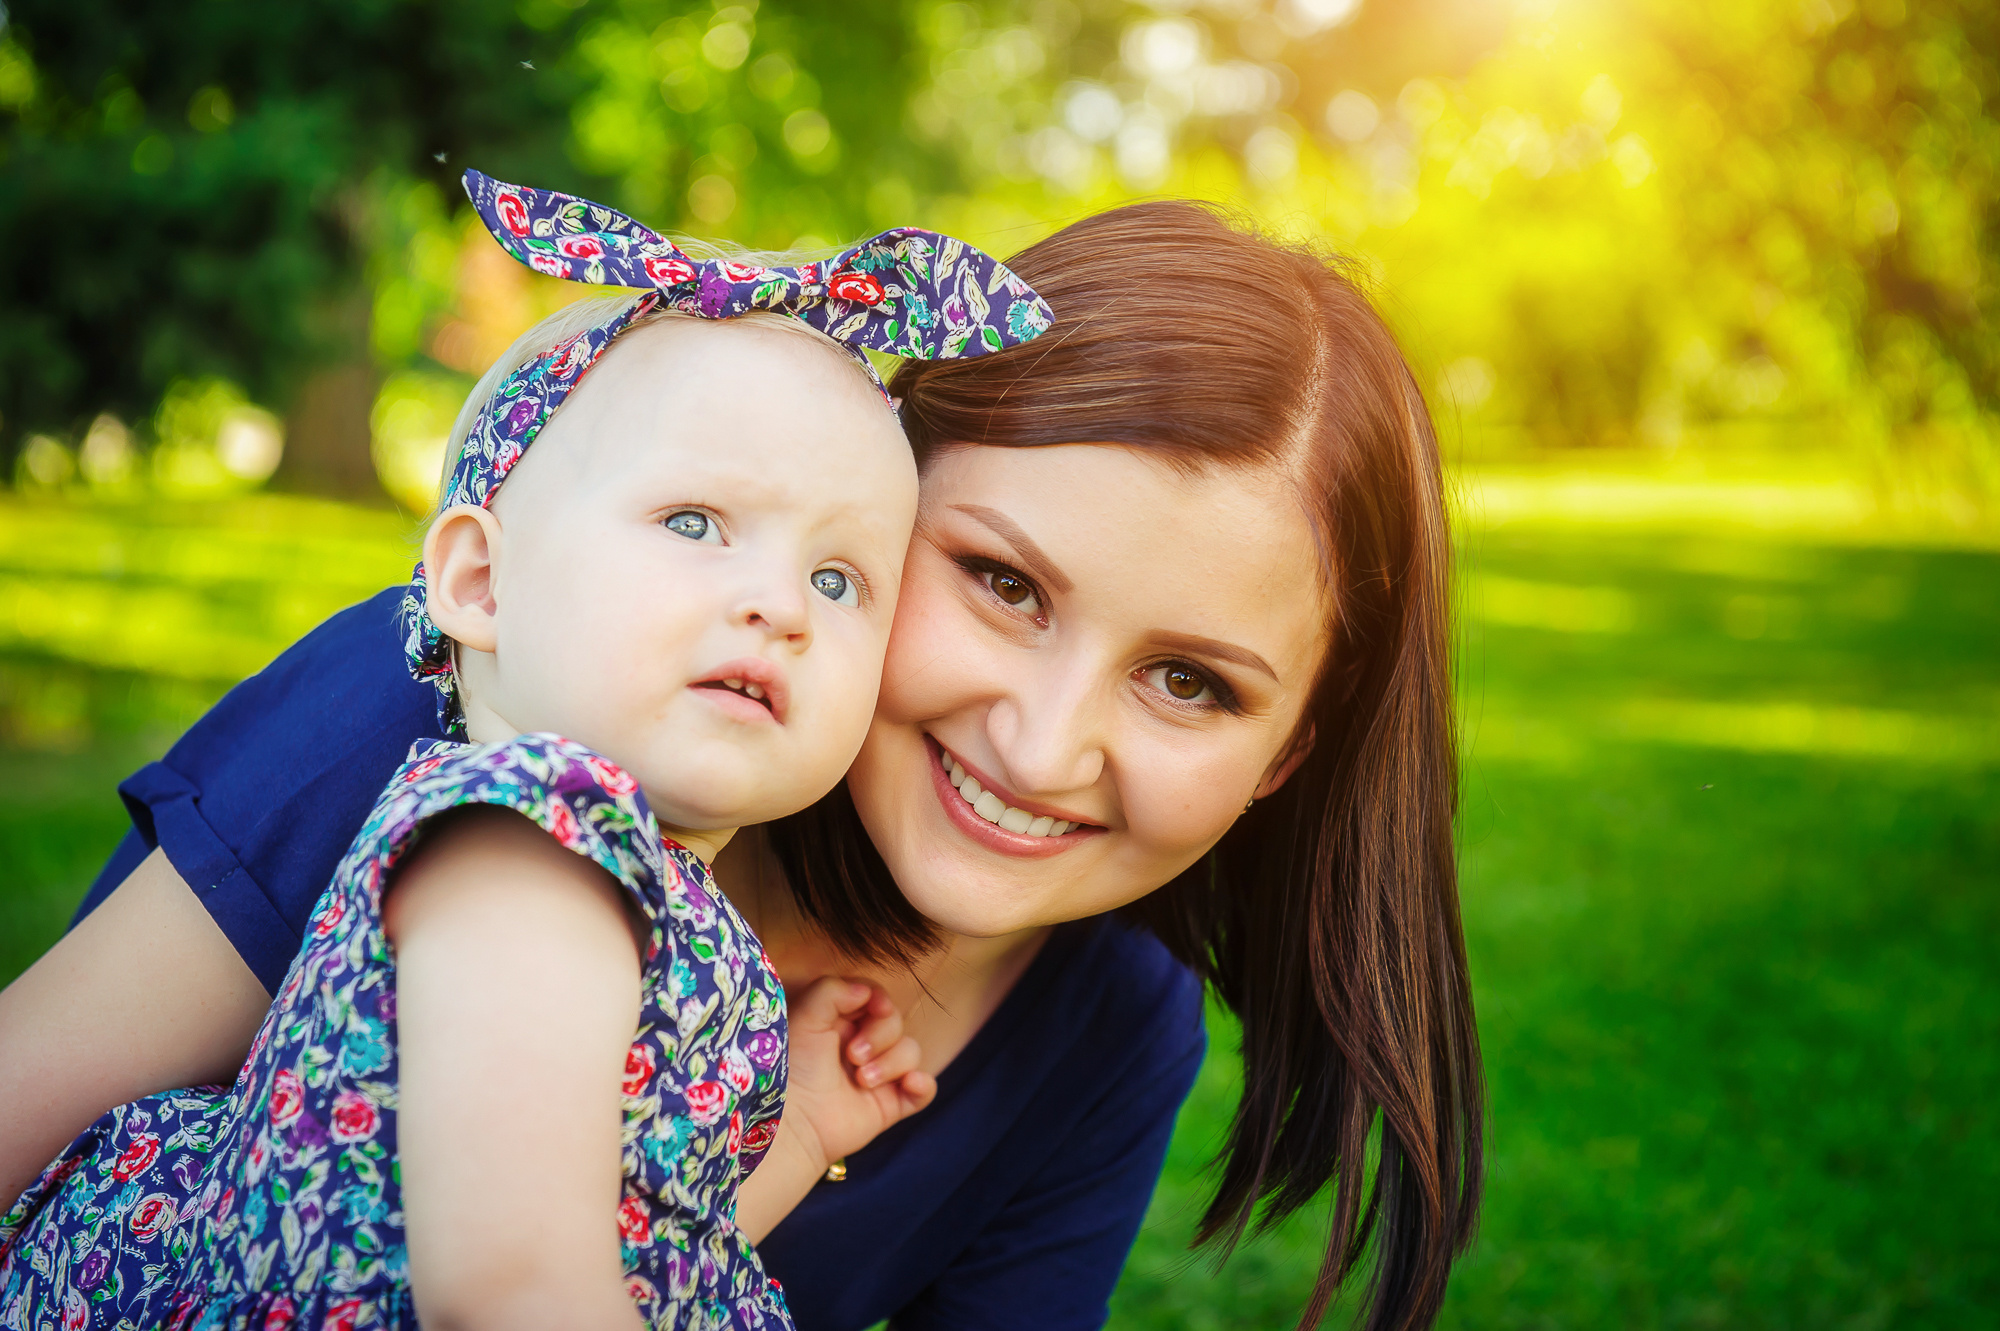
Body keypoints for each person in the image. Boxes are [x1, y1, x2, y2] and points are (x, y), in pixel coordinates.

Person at [0, 197, 1483, 1331]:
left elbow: (650, 1238)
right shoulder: (486, 716)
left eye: (1189, 680)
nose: (1042, 743)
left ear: (1292, 748)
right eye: (1004, 584)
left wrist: (805, 1126)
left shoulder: (1099, 1030)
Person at [0, 172, 1052, 1330]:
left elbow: (627, 1245)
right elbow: (511, 1285)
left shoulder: (640, 892)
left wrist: (794, 1125)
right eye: (696, 523)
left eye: (837, 577)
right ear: (480, 581)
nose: (778, 604)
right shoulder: (525, 843)